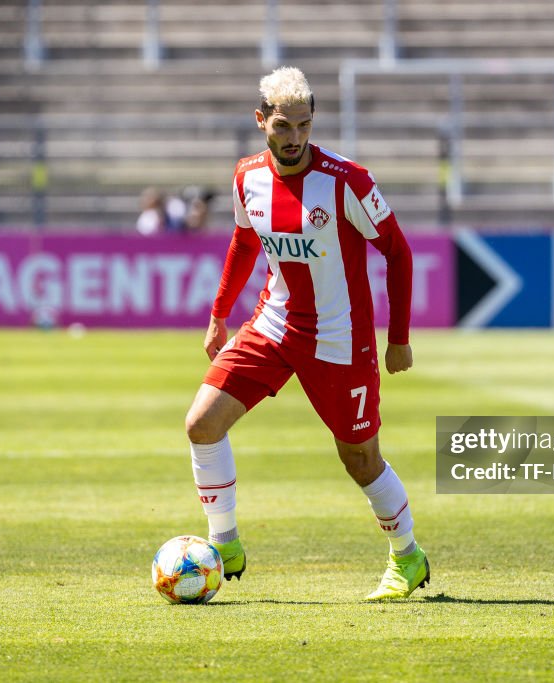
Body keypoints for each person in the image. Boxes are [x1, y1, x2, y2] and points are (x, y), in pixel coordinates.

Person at [183, 66, 429, 601]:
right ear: (260, 121)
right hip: (274, 325)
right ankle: (223, 544)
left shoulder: (347, 182)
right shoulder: (247, 176)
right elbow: (244, 242)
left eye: (304, 126)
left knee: (360, 459)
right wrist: (219, 313)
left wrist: (399, 336)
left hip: (341, 340)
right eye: (282, 127)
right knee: (202, 424)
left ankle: (407, 557)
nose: (294, 138)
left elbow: (398, 251)